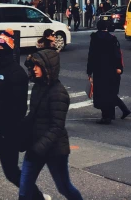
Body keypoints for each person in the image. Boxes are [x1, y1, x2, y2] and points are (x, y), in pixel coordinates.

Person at [0, 30, 47, 200]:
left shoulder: (17, 73)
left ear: (7, 49)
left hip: (5, 134)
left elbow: (18, 109)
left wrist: (4, 130)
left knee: (11, 172)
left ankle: (38, 197)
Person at [19, 49, 83, 200]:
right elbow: (33, 116)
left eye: (37, 65)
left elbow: (57, 126)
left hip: (55, 150)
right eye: (33, 65)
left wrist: (38, 147)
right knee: (24, 190)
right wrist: (18, 132)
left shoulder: (58, 93)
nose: (34, 69)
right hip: (35, 147)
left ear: (48, 67)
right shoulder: (37, 87)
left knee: (64, 187)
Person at [86, 19, 128, 124]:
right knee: (110, 92)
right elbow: (117, 54)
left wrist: (89, 71)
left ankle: (105, 116)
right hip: (111, 69)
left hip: (98, 69)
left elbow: (91, 55)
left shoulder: (94, 38)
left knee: (100, 93)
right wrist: (119, 68)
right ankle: (110, 115)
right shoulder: (112, 38)